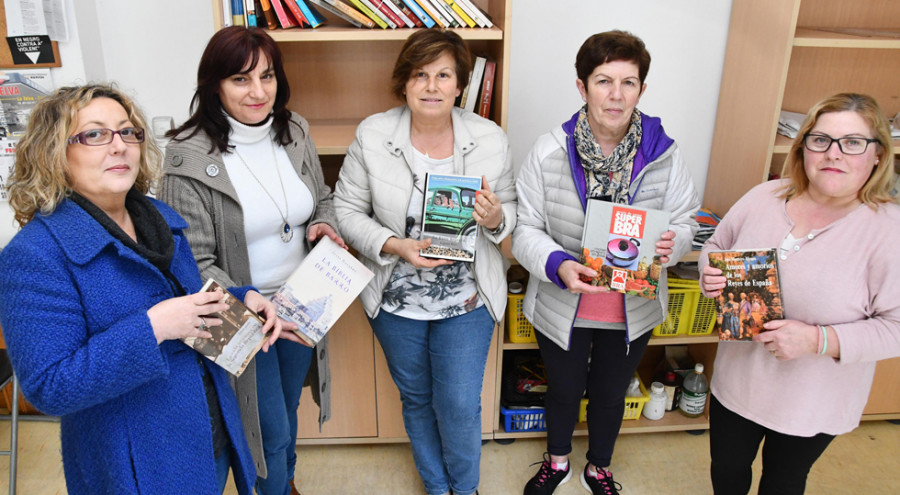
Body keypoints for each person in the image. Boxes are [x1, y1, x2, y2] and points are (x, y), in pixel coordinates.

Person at [0, 83, 283, 494]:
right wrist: (152, 327)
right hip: (138, 463)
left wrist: (244, 300)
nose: (119, 146)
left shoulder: (157, 219)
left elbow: (186, 305)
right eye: (95, 134)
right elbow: (50, 387)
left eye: (128, 132)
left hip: (209, 433)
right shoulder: (35, 255)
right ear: (55, 153)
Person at [158, 26, 344, 495]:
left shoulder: (294, 129)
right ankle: (274, 487)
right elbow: (191, 263)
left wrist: (323, 225)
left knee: (286, 409)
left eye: (267, 76)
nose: (259, 92)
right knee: (265, 428)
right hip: (241, 314)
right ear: (214, 85)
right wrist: (253, 302)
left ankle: (284, 480)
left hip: (301, 304)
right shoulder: (187, 157)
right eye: (241, 79)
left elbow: (320, 199)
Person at [512, 30, 699, 495]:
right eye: (603, 81)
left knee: (612, 394)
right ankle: (557, 463)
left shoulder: (665, 154)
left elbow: (686, 221)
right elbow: (524, 229)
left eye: (628, 82)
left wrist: (670, 246)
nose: (616, 95)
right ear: (582, 87)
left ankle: (599, 468)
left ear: (642, 89)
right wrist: (557, 264)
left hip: (630, 307)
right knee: (563, 389)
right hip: (564, 301)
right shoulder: (549, 151)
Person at [333, 28, 516, 495]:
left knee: (457, 403)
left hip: (468, 295)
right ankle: (438, 487)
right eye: (420, 74)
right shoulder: (374, 134)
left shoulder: (490, 138)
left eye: (443, 75)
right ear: (404, 83)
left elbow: (510, 216)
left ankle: (466, 487)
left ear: (460, 85)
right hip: (395, 297)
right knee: (416, 398)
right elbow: (347, 211)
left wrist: (496, 217)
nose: (431, 86)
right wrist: (396, 244)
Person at [699, 92, 900, 495]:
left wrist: (818, 339)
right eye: (821, 139)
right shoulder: (765, 196)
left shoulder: (888, 230)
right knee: (726, 469)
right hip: (739, 382)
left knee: (784, 482)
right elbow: (717, 245)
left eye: (853, 142)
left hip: (812, 399)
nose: (834, 154)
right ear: (804, 144)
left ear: (877, 154)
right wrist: (710, 274)